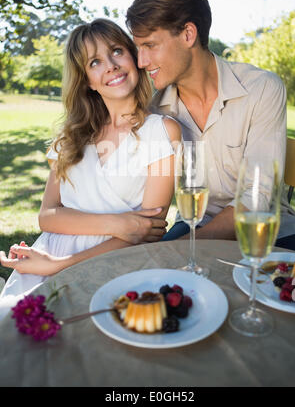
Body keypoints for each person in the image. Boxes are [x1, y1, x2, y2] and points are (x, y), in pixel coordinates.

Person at [0, 18, 181, 310]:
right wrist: (118, 223)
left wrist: (60, 265)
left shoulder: (162, 132)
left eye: (117, 51)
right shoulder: (70, 136)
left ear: (134, 58)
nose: (110, 65)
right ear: (86, 81)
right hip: (50, 251)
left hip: (115, 260)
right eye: (94, 62)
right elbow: (47, 214)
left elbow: (149, 230)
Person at [126, 0, 295, 251]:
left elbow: (256, 199)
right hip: (194, 223)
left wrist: (179, 250)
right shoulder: (156, 111)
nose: (141, 61)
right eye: (138, 48)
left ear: (188, 35)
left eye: (149, 45)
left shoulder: (261, 89)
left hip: (270, 231)